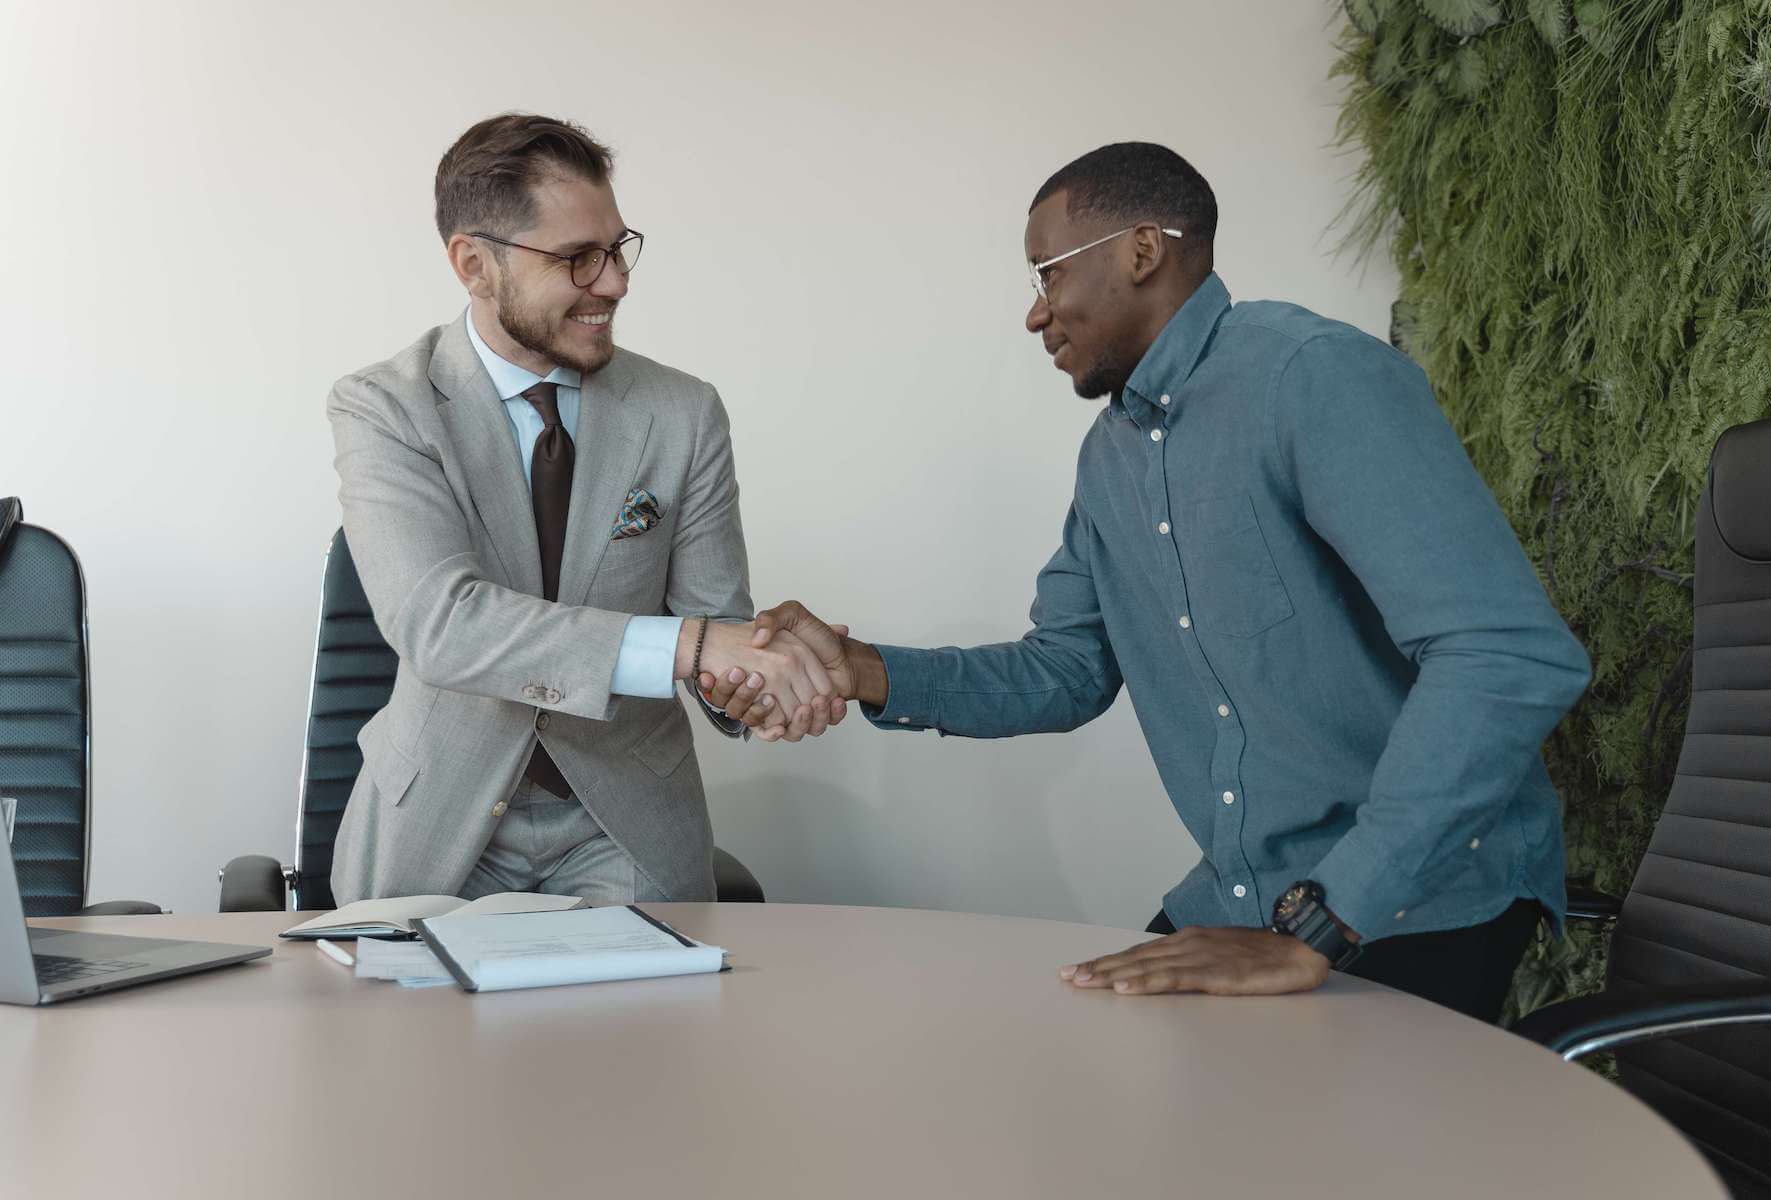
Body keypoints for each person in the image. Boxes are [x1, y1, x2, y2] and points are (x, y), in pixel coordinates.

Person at [703, 143, 1592, 1022]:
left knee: (1273, 1158)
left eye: (1045, 274)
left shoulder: (1311, 376)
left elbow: (1506, 654)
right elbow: (1066, 671)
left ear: (1141, 250)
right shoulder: (1111, 457)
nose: (1034, 314)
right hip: (1250, 899)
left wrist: (1325, 921)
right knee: (1093, 1078)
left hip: (1412, 897)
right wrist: (861, 669)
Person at [327, 113, 838, 906]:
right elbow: (440, 624)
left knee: (642, 1032)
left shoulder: (683, 412)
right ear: (474, 264)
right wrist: (698, 647)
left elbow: (712, 623)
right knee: (411, 1031)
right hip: (439, 819)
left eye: (619, 248)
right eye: (577, 258)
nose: (616, 282)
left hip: (624, 820)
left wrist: (754, 679)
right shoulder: (386, 407)